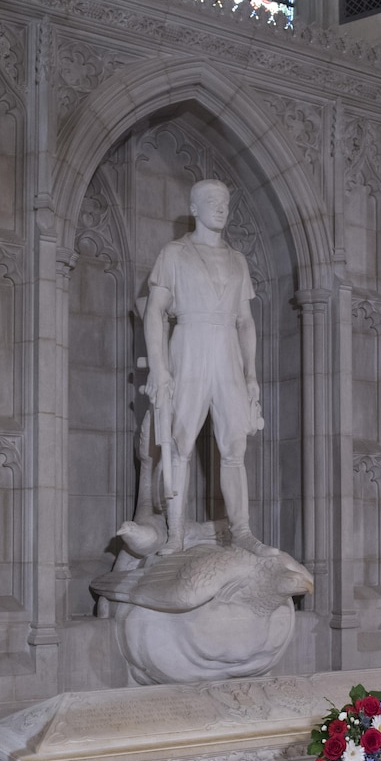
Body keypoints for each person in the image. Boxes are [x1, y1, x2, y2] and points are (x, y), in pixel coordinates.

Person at [143, 179, 273, 557]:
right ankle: (176, 533)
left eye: (226, 202)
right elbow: (154, 312)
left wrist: (251, 375)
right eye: (212, 201)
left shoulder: (237, 260)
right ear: (194, 208)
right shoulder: (174, 253)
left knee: (235, 446)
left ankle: (242, 531)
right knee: (180, 442)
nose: (221, 208)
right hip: (190, 344)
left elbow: (246, 322)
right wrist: (160, 368)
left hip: (227, 351)